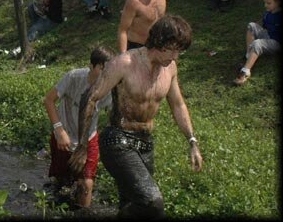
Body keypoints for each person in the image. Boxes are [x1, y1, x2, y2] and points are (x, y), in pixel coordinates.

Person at [69, 15, 202, 218]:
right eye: (173, 49)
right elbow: (91, 97)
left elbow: (178, 104)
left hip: (145, 143)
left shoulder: (170, 68)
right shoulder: (125, 63)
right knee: (152, 203)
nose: (175, 56)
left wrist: (192, 141)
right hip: (117, 140)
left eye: (179, 51)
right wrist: (83, 146)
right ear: (159, 42)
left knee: (133, 202)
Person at [44, 45, 116, 208]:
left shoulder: (110, 89)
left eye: (109, 71)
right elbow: (49, 100)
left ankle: (83, 211)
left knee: (86, 185)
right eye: (102, 69)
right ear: (91, 66)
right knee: (62, 182)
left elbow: (114, 116)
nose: (106, 75)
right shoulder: (73, 77)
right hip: (64, 136)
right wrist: (59, 130)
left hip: (88, 138)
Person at [234, 0, 281, 86]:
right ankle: (248, 56)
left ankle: (246, 71)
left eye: (269, 3)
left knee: (258, 43)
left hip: (277, 43)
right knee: (251, 25)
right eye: (265, 2)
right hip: (269, 36)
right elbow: (263, 26)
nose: (265, 5)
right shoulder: (268, 13)